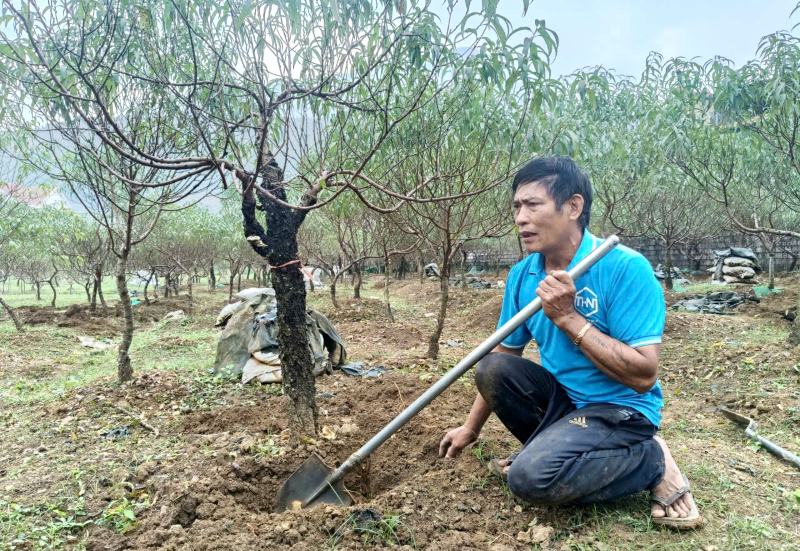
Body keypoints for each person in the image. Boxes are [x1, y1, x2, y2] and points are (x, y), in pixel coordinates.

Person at [438, 156, 702, 529]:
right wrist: (471, 428)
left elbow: (643, 375)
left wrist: (567, 317)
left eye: (532, 205)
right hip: (566, 405)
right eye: (516, 207)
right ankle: (559, 450)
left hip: (619, 409)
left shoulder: (625, 268)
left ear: (573, 207)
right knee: (492, 368)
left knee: (529, 478)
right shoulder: (523, 275)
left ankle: (651, 459)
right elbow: (502, 353)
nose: (520, 218)